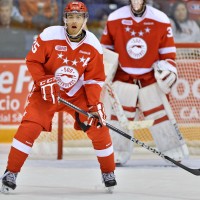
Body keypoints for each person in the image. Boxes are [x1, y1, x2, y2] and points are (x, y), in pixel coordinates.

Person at [0, 1, 117, 193]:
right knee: (29, 126)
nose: (74, 20)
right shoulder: (49, 35)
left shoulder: (93, 45)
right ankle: (11, 172)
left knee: (98, 126)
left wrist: (95, 103)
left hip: (76, 94)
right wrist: (43, 80)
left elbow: (94, 79)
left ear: (85, 20)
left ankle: (108, 172)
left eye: (78, 17)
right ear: (64, 19)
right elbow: (32, 61)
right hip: (47, 91)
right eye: (70, 16)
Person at [100, 0, 189, 165]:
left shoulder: (161, 19)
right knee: (119, 117)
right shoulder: (115, 18)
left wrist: (169, 70)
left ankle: (172, 151)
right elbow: (106, 49)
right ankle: (117, 152)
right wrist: (104, 69)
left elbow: (167, 52)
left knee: (160, 115)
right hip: (123, 75)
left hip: (149, 77)